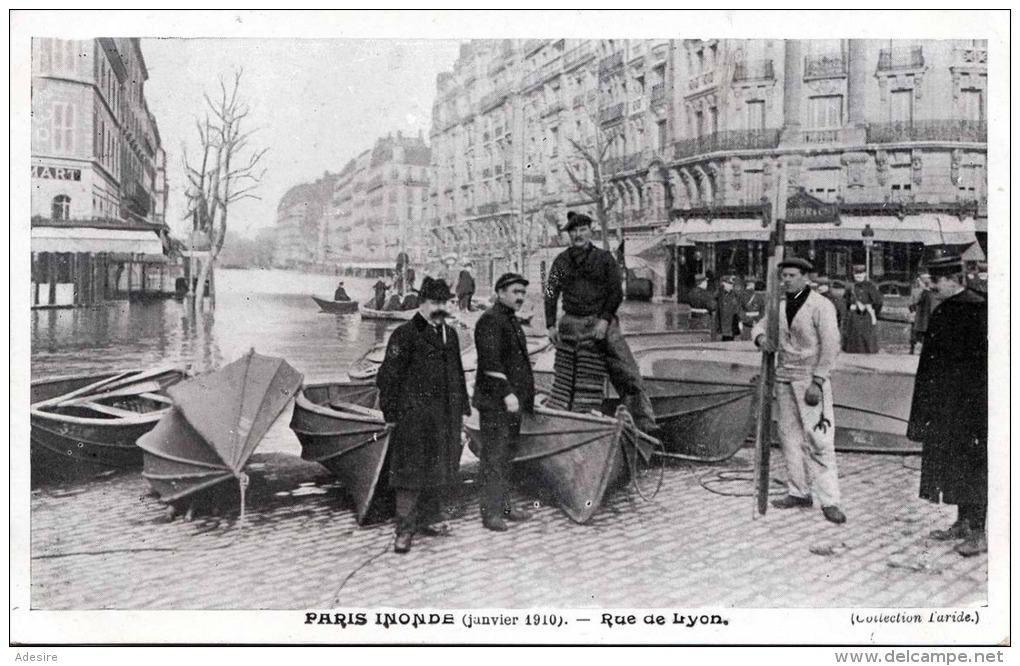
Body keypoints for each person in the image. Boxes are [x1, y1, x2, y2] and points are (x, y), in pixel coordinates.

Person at [376, 277, 471, 554]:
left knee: (440, 467)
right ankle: (404, 530)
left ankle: (430, 519)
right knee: (409, 473)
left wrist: (463, 410)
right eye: (435, 303)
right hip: (413, 418)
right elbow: (387, 377)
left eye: (445, 302)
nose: (441, 308)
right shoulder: (404, 335)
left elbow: (457, 374)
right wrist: (390, 413)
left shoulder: (450, 335)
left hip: (445, 417)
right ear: (422, 303)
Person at [544, 211, 658, 435]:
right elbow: (550, 292)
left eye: (583, 230)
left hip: (601, 322)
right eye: (574, 231)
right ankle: (569, 423)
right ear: (569, 234)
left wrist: (604, 320)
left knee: (627, 373)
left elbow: (616, 293)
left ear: (590, 231)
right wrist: (549, 325)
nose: (578, 235)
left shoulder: (605, 259)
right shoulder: (561, 261)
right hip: (571, 323)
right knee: (567, 376)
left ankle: (645, 427)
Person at [753, 256, 846, 525]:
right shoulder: (779, 306)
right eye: (784, 276)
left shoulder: (821, 305)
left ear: (806, 277)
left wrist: (818, 380)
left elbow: (831, 344)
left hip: (810, 380)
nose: (786, 280)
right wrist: (761, 339)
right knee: (789, 437)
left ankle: (829, 500)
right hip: (783, 377)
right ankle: (799, 491)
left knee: (819, 439)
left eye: (792, 275)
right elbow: (760, 326)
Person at [907, 255, 988, 557]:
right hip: (946, 404)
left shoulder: (979, 310)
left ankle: (980, 532)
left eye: (937, 281)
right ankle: (962, 523)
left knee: (975, 464)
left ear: (954, 280)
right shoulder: (944, 310)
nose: (932, 286)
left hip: (972, 405)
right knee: (954, 463)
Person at [473, 272, 536, 532]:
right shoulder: (490, 320)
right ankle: (490, 513)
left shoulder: (509, 320)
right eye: (515, 292)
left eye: (522, 292)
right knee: (494, 457)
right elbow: (490, 362)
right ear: (500, 293)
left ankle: (505, 507)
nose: (520, 297)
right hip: (496, 402)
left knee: (507, 456)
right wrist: (507, 393)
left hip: (511, 403)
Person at [841, 264, 883, 354]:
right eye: (856, 274)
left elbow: (878, 302)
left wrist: (870, 310)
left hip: (866, 318)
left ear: (865, 274)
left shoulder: (870, 286)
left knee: (867, 343)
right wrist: (850, 307)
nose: (858, 276)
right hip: (853, 319)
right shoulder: (850, 287)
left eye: (861, 274)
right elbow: (845, 301)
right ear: (853, 274)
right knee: (853, 343)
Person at [908, 272, 935, 355]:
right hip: (919, 315)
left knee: (918, 332)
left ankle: (916, 348)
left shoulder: (927, 293)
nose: (918, 282)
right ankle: (913, 348)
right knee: (915, 332)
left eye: (920, 280)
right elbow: (911, 303)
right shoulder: (919, 291)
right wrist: (912, 311)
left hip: (922, 316)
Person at [715, 275, 742, 341]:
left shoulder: (734, 294)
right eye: (729, 284)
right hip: (723, 327)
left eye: (732, 284)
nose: (731, 286)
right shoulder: (719, 294)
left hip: (732, 326)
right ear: (724, 284)